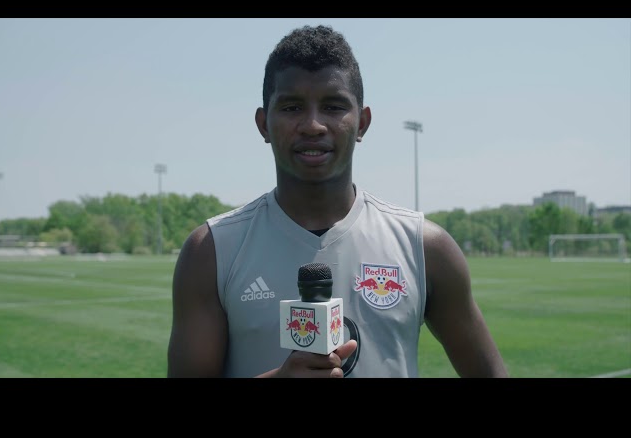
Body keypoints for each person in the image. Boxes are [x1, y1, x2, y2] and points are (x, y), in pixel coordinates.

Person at [167, 24, 509, 378]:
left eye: (333, 106)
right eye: (292, 107)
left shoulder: (424, 247)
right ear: (263, 124)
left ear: (362, 123)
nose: (313, 125)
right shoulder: (211, 251)